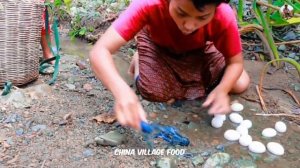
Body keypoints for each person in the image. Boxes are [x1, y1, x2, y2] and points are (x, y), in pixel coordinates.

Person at [90, 0, 250, 130]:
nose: (189, 25)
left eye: (202, 18)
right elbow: (99, 51)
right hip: (158, 46)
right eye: (181, 13)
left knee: (239, 83)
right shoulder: (148, 4)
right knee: (152, 90)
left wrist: (222, 90)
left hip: (200, 50)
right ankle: (140, 58)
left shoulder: (223, 14)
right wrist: (122, 92)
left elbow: (235, 63)